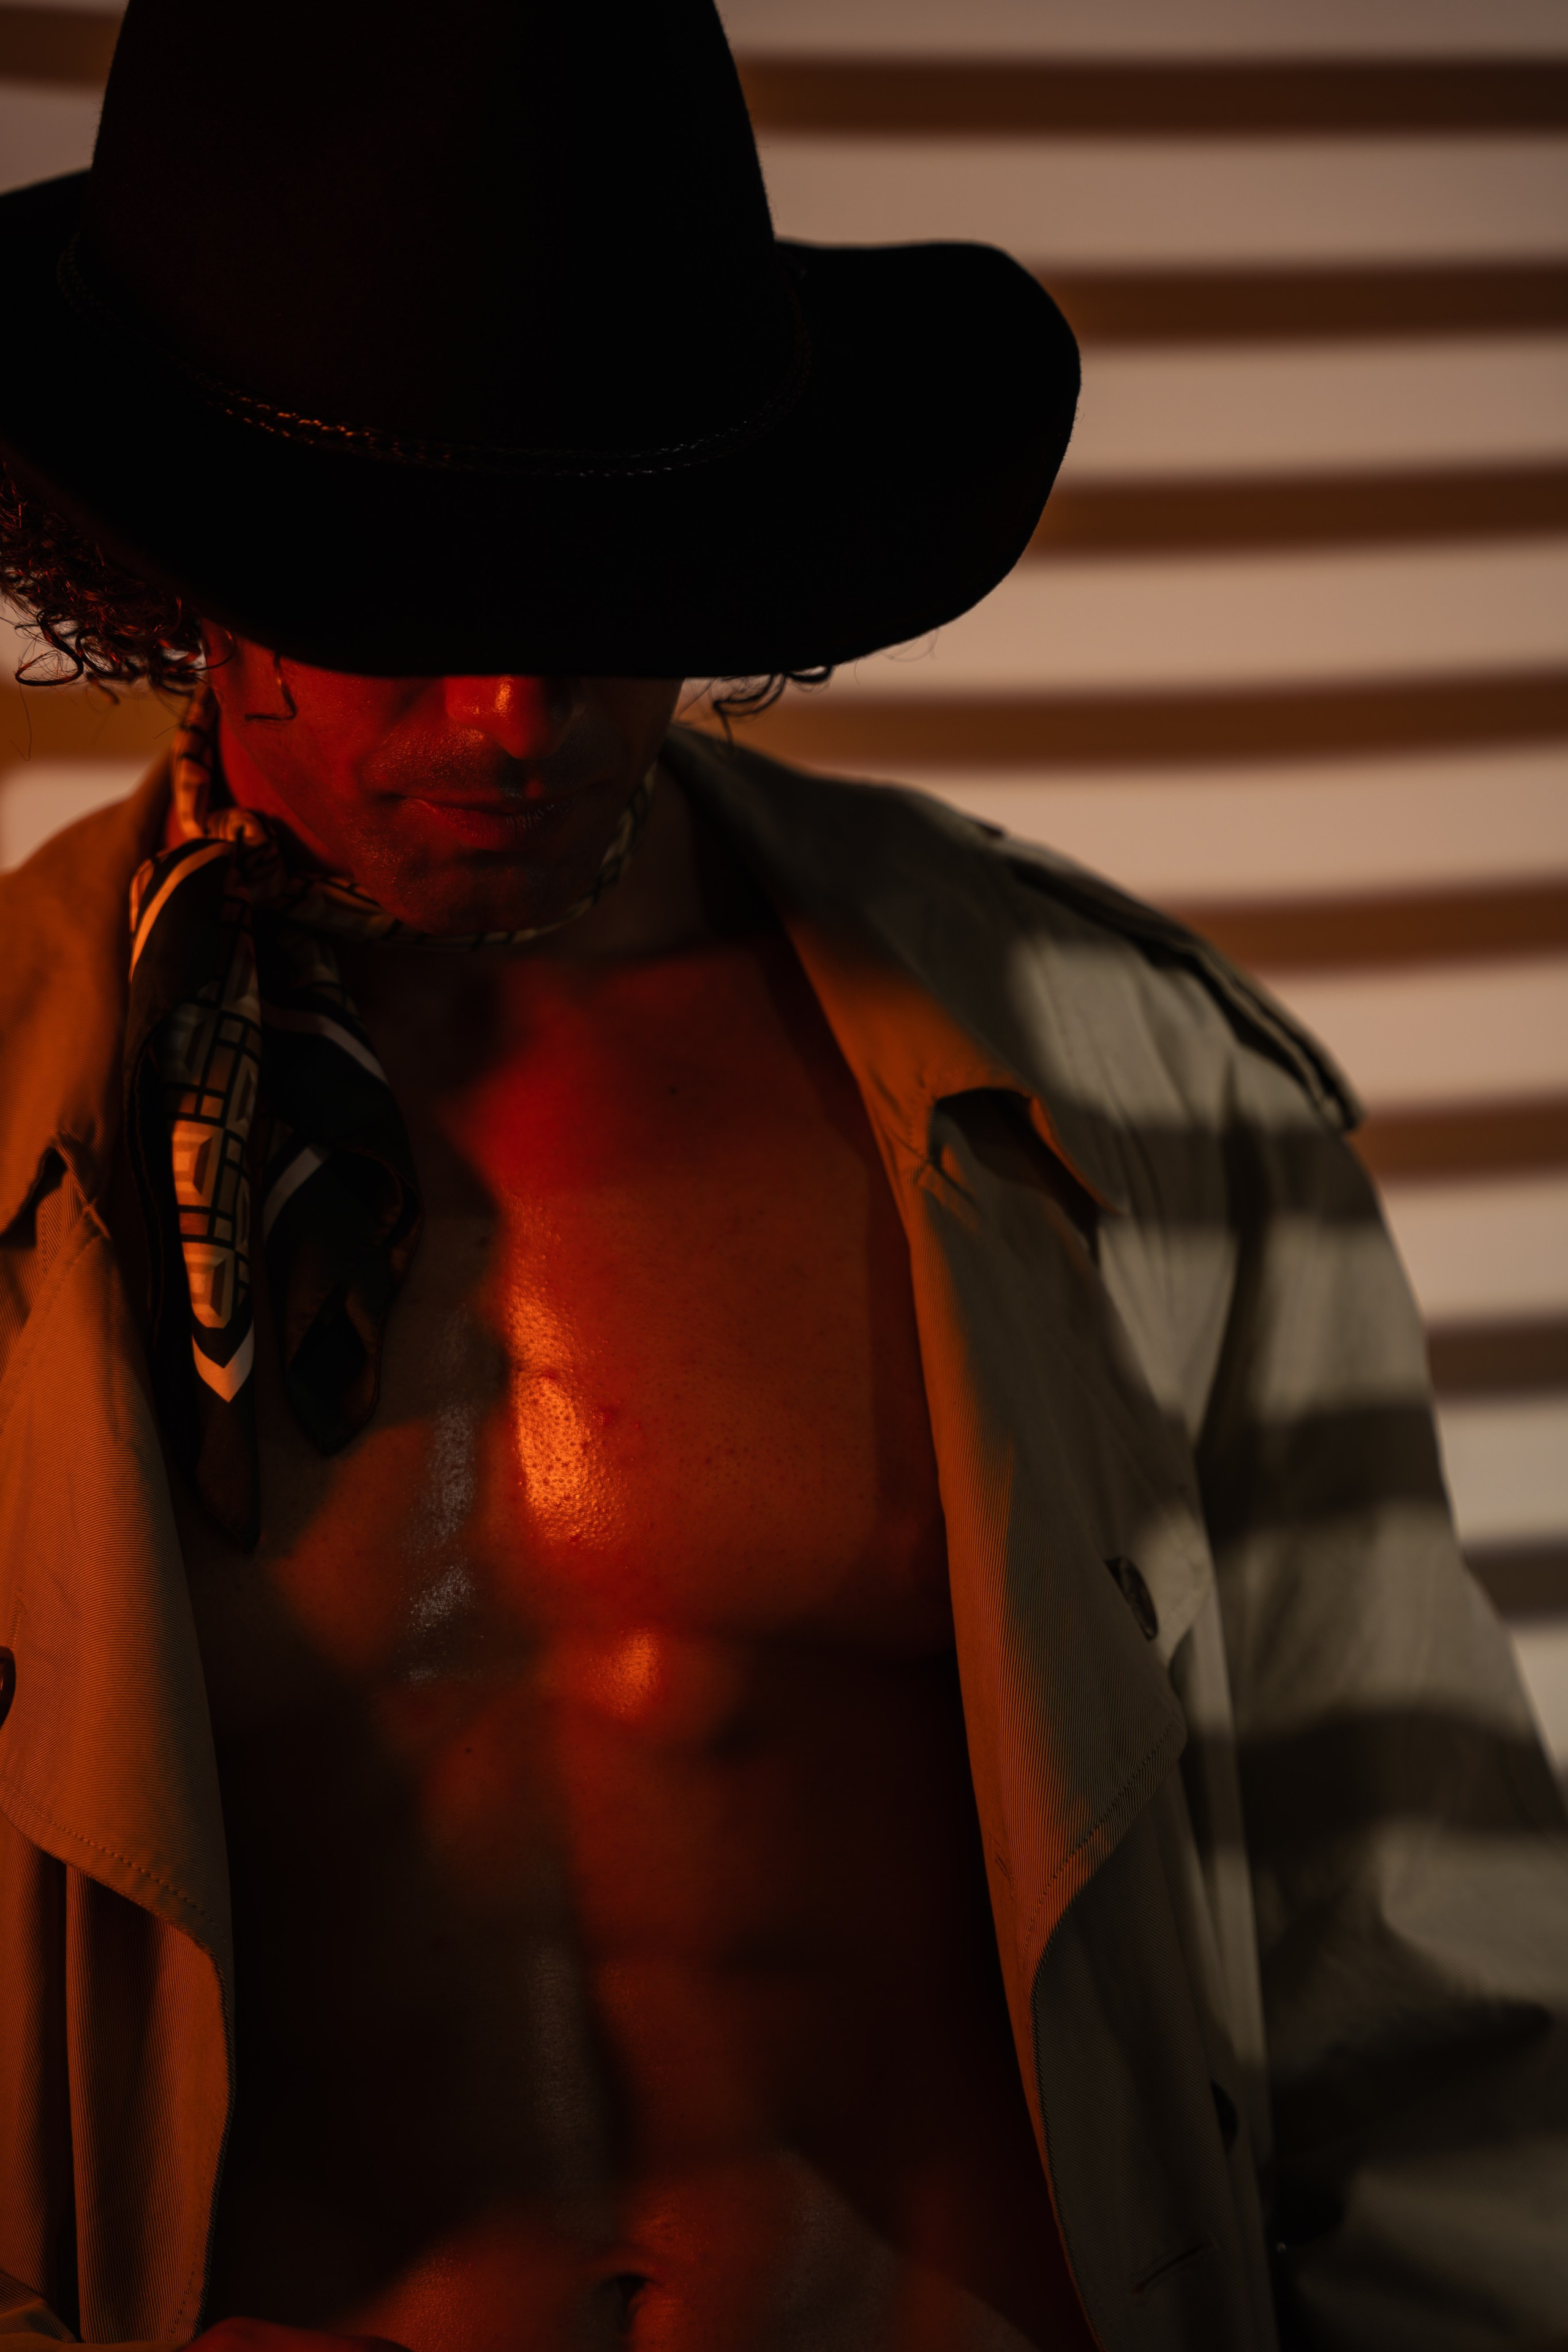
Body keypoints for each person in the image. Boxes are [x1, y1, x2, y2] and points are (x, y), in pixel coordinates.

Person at [1, 4, 1564, 2348]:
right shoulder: (23, 1126)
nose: (514, 715)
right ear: (169, 563)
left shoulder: (1126, 1085)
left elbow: (1433, 2012)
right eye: (396, 595)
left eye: (596, 585)